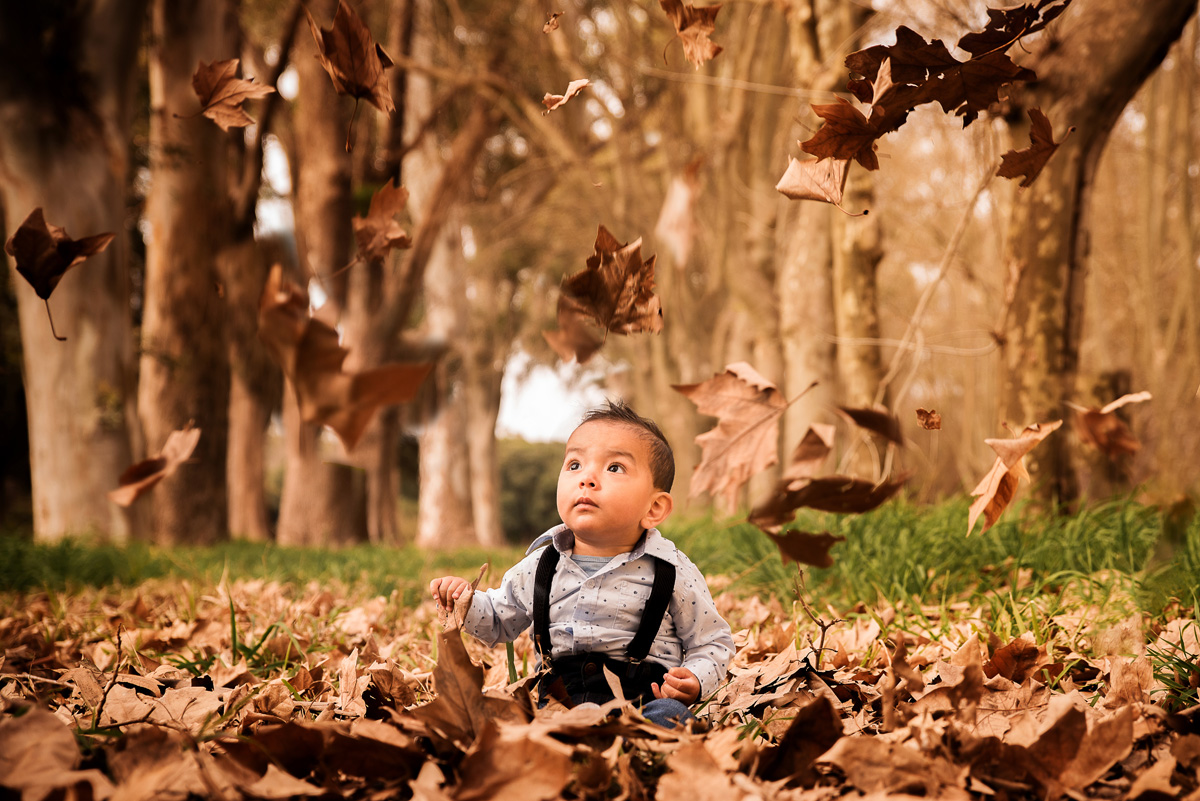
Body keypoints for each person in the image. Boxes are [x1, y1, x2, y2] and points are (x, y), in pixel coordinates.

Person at [430, 400, 734, 728]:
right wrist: (466, 602)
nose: (586, 478)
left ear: (654, 508)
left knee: (669, 719)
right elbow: (499, 621)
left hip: (643, 703)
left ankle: (645, 756)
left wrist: (696, 678)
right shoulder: (539, 565)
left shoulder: (671, 571)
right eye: (574, 465)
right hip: (557, 706)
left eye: (614, 467)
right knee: (499, 721)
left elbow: (711, 641)